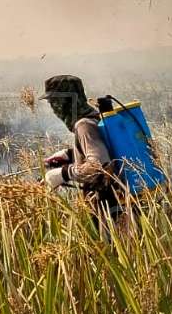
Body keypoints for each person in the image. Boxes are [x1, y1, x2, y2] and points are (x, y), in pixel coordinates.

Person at [39, 75, 124, 227]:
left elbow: (99, 165)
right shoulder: (95, 117)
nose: (53, 109)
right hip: (118, 204)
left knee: (111, 250)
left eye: (54, 102)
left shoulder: (83, 125)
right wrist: (71, 155)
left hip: (110, 211)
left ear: (66, 102)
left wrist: (64, 174)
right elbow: (105, 148)